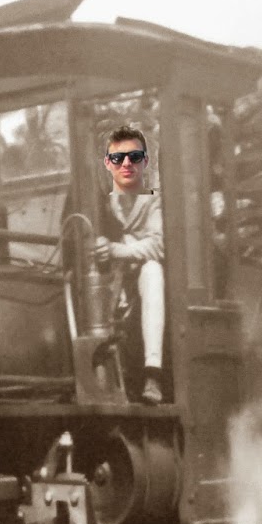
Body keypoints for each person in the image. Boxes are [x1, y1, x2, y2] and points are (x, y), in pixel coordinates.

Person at [93, 124, 165, 404]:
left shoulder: (153, 199)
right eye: (117, 158)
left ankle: (153, 372)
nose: (126, 164)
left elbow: (157, 244)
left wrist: (115, 249)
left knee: (153, 272)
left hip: (142, 277)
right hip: (115, 276)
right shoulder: (102, 200)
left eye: (134, 157)